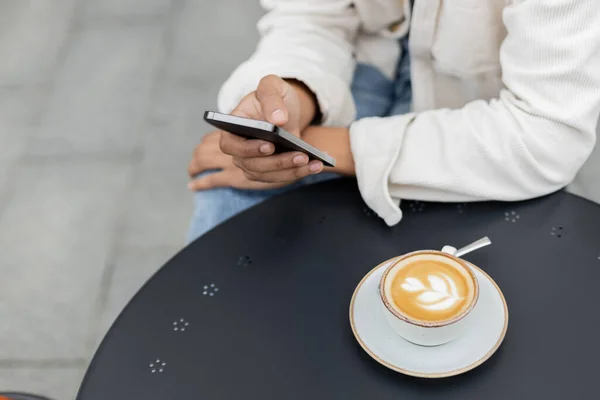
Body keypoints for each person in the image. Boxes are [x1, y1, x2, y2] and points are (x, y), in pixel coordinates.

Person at [187, 0, 600, 241]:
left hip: (483, 104)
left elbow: (545, 134)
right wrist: (292, 96)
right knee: (230, 203)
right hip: (367, 58)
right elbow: (311, 17)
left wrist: (323, 147)